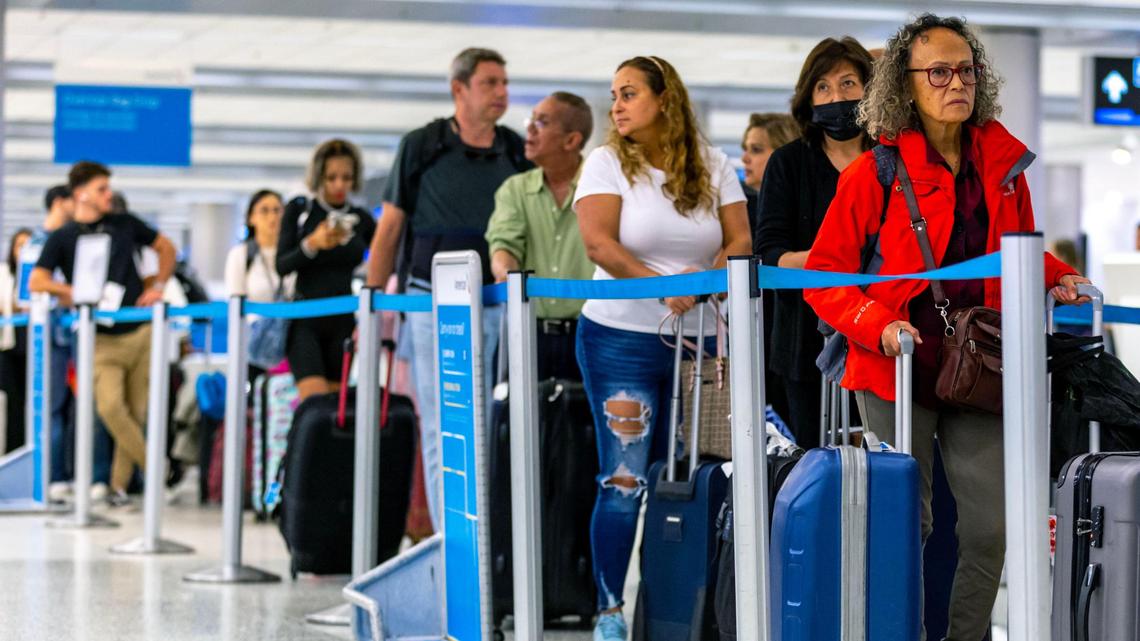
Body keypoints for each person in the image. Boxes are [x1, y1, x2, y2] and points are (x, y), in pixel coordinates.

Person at [802, 15, 1088, 639]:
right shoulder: (871, 174)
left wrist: (1058, 275)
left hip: (981, 359)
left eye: (966, 69)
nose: (955, 81)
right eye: (938, 71)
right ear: (906, 86)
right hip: (895, 363)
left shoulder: (1004, 167)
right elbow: (824, 276)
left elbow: (1019, 249)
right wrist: (874, 323)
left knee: (991, 525)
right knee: (907, 520)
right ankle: (894, 630)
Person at [573, 55, 750, 641]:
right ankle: (606, 609)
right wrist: (664, 288)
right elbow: (598, 244)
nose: (617, 106)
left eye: (629, 94)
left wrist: (709, 278)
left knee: (686, 477)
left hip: (698, 344)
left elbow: (740, 238)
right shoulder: (605, 163)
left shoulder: (715, 164)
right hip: (619, 338)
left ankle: (669, 602)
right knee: (625, 479)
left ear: (664, 99)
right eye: (614, 95)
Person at [365, 47, 531, 529]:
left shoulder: (515, 150)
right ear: (459, 89)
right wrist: (371, 305)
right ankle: (451, 539)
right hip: (430, 301)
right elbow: (391, 226)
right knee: (442, 425)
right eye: (490, 83)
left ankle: (488, 539)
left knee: (488, 424)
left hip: (499, 302)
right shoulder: (423, 145)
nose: (502, 92)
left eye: (504, 82)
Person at [30, 161, 178, 506]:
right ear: (80, 194)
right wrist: (72, 293)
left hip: (140, 333)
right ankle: (158, 469)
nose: (108, 195)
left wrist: (158, 285)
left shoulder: (125, 224)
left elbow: (166, 247)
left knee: (137, 413)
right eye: (101, 189)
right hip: (101, 339)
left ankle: (118, 487)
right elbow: (37, 279)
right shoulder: (63, 237)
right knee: (110, 407)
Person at [755, 37, 875, 449]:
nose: (835, 96)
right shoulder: (788, 162)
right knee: (815, 465)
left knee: (881, 459)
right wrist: (832, 259)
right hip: (802, 340)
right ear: (807, 97)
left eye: (847, 83)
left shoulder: (891, 159)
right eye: (822, 87)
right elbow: (768, 253)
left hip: (880, 334)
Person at [485, 91, 595, 380]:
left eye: (542, 123)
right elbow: (503, 243)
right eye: (531, 120)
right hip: (528, 331)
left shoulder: (601, 188)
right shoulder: (515, 189)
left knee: (584, 422)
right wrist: (506, 273)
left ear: (571, 140)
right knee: (511, 421)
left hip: (592, 333)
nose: (529, 130)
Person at [277, 140, 376, 402]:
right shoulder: (300, 211)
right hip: (305, 320)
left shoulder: (362, 219)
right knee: (314, 402)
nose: (339, 185)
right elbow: (282, 265)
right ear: (319, 176)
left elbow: (383, 256)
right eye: (331, 177)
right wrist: (312, 244)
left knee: (336, 406)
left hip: (343, 320)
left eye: (346, 177)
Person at [740, 113, 798, 426]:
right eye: (746, 148)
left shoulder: (796, 210)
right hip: (753, 331)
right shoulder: (740, 210)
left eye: (757, 149)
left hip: (787, 328)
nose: (745, 158)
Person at [226, 190, 295, 304]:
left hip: (293, 320)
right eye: (264, 211)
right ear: (251, 218)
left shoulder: (294, 252)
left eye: (277, 210)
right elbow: (236, 302)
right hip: (256, 320)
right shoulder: (240, 254)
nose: (272, 217)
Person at [0, 228, 33, 454]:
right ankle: (13, 451)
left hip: (33, 344)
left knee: (33, 400)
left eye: (28, 246)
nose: (23, 251)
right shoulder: (3, 274)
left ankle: (30, 449)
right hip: (8, 344)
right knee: (13, 401)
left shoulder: (40, 276)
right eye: (19, 245)